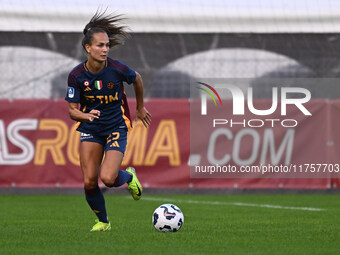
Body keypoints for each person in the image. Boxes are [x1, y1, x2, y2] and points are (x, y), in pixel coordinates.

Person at [65, 11, 151, 232]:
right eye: (100, 45)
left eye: (106, 46)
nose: (104, 49)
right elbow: (72, 112)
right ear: (88, 48)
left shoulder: (117, 69)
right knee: (89, 181)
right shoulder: (76, 76)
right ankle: (103, 222)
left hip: (116, 126)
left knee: (108, 178)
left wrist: (140, 107)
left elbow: (137, 79)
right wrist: (86, 116)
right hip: (91, 129)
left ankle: (128, 176)